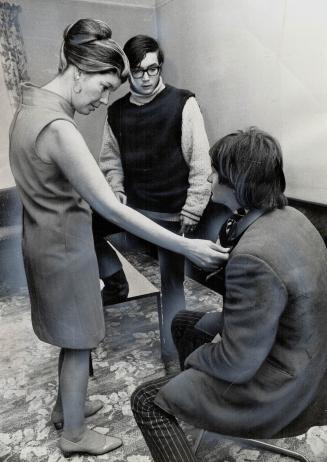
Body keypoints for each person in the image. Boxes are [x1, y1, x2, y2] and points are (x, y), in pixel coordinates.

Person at [9, 19, 229, 458]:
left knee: (72, 337)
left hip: (42, 239)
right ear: (80, 73)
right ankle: (74, 435)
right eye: (104, 86)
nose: (106, 99)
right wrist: (185, 245)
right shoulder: (58, 128)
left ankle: (63, 409)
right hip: (64, 249)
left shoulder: (30, 104)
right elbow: (111, 208)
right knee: (80, 341)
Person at [131, 127, 327, 462]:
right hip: (308, 359)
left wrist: (195, 363)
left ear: (236, 182)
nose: (209, 179)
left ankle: (199, 399)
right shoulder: (293, 217)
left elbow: (237, 363)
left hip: (283, 389)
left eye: (215, 172)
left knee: (146, 400)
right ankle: (198, 407)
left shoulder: (253, 257)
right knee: (183, 322)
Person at [98, 35, 212, 369]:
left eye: (153, 69)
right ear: (127, 73)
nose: (147, 77)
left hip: (173, 213)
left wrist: (192, 208)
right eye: (139, 71)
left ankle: (174, 356)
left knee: (170, 283)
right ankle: (115, 280)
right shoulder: (116, 112)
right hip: (133, 212)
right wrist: (115, 190)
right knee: (83, 223)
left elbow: (201, 163)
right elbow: (109, 161)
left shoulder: (182, 102)